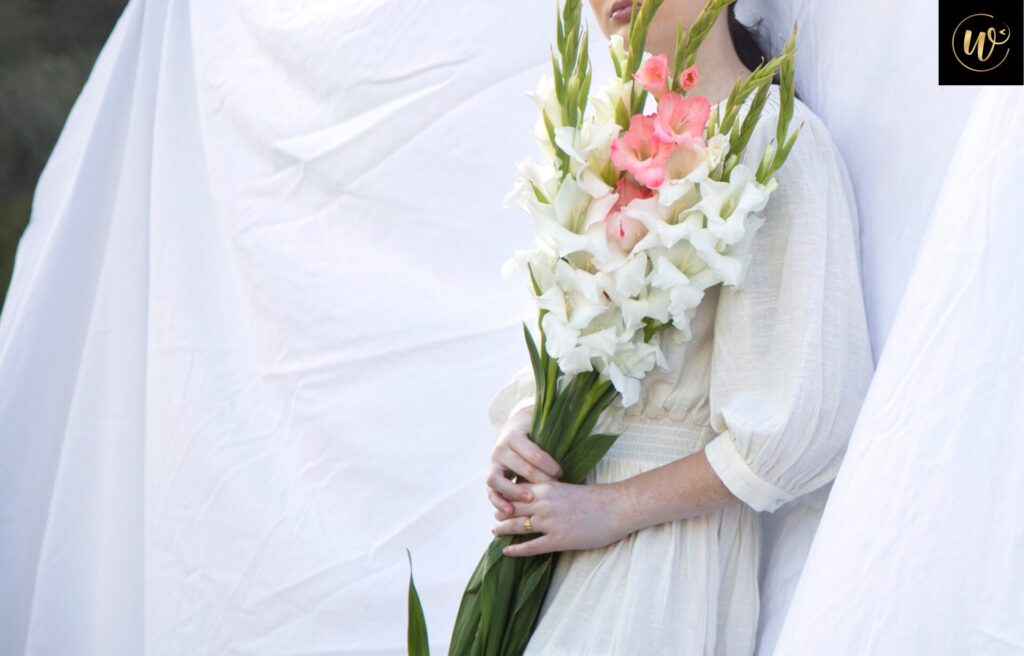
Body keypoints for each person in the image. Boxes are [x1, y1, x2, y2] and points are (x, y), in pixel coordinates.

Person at [484, 1, 875, 654]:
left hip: (659, 560)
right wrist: (525, 424)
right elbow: (576, 345)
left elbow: (803, 422)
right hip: (549, 541)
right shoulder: (607, 149)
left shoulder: (777, 150)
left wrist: (612, 510)